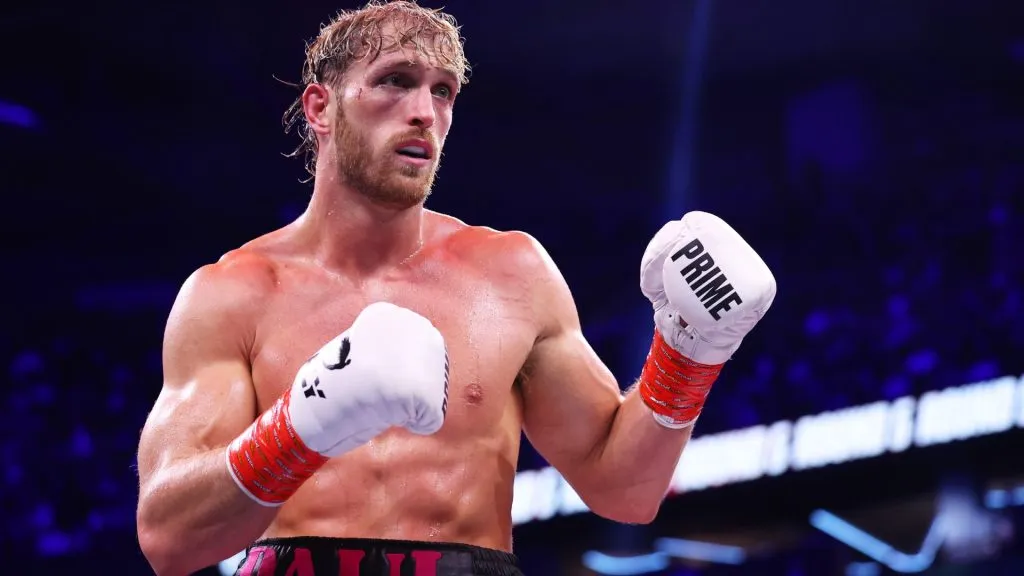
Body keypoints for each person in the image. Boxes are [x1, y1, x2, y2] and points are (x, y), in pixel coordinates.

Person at [134, 1, 777, 575]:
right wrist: (301, 426)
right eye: (395, 81)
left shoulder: (510, 273)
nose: (424, 112)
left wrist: (688, 357)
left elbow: (625, 492)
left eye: (443, 92)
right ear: (320, 107)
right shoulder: (233, 293)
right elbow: (168, 537)